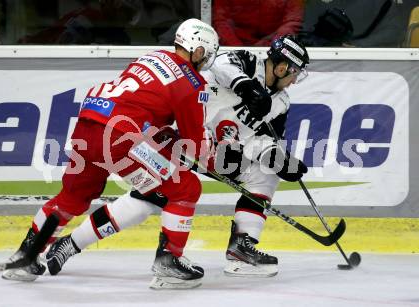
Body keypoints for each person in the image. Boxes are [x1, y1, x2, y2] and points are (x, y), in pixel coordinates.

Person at [44, 35, 309, 279]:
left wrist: (277, 158)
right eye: (295, 72)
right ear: (283, 67)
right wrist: (247, 86)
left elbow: (261, 139)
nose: (295, 80)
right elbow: (219, 65)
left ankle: (241, 248)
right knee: (149, 197)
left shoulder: (282, 102)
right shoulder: (248, 62)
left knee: (265, 173)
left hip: (219, 151)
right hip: (184, 135)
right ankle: (71, 243)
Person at [2, 18, 219, 290]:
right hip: (121, 136)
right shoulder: (192, 83)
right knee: (185, 188)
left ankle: (25, 255)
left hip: (89, 122)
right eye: (206, 55)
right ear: (198, 51)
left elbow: (144, 105)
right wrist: (211, 160)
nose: (204, 62)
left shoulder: (152, 57)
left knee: (72, 198)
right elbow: (195, 145)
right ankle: (169, 262)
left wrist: (167, 142)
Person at [212, 0, 304, 46]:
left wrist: (273, 47)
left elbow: (292, 21)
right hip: (233, 51)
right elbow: (221, 21)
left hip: (275, 51)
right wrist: (239, 49)